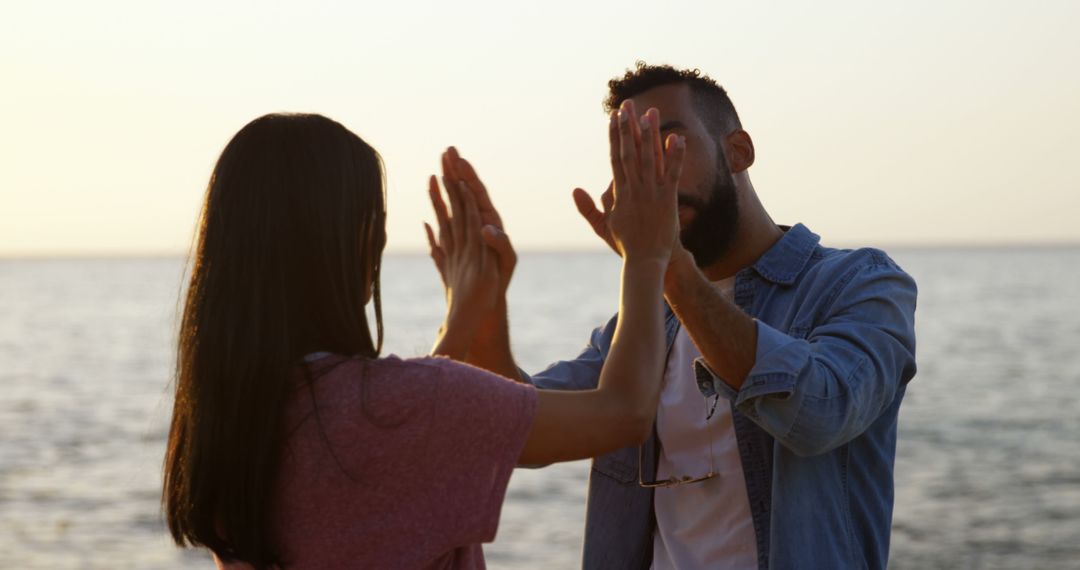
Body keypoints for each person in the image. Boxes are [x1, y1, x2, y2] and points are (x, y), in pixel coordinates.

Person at [427, 63, 918, 569]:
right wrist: (479, 309)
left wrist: (664, 266)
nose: (652, 176)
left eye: (667, 145)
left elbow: (820, 412)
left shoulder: (859, 283)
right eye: (631, 158)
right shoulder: (638, 329)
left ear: (739, 150)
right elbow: (522, 431)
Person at [161, 110, 688, 569]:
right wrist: (646, 254)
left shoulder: (229, 418)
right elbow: (623, 413)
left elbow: (388, 458)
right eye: (374, 219)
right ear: (348, 240)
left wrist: (464, 320)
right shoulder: (403, 408)